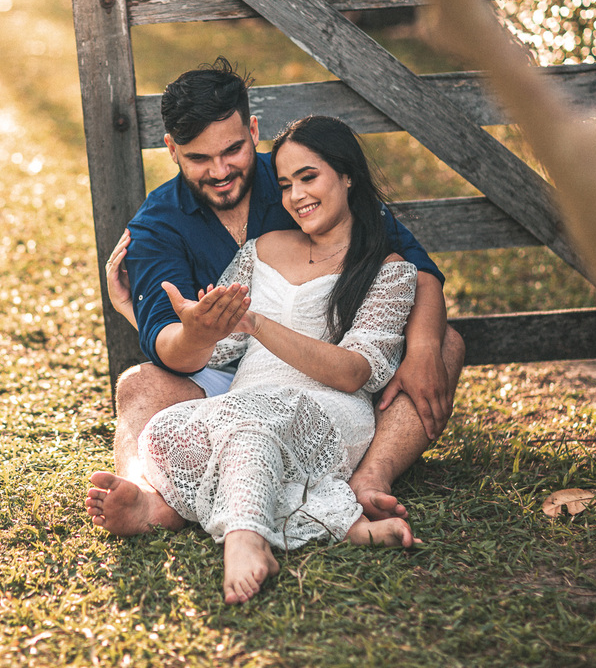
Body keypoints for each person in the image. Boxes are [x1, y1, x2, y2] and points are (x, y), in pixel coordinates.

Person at [103, 58, 464, 522]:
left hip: (341, 369)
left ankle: (372, 477)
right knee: (139, 383)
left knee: (447, 343)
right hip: (223, 376)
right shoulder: (156, 225)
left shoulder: (301, 174)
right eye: (198, 158)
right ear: (171, 149)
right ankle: (141, 492)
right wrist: (198, 331)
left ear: (253, 130)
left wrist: (424, 346)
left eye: (232, 149)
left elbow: (418, 267)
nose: (219, 171)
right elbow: (168, 347)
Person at [88, 116, 421, 604]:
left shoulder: (390, 271)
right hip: (245, 406)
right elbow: (216, 348)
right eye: (285, 184)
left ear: (347, 176)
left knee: (255, 425)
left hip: (327, 415)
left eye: (309, 178)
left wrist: (257, 324)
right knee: (166, 430)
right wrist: (138, 314)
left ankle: (248, 539)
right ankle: (341, 523)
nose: (296, 196)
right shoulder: (261, 249)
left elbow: (354, 372)